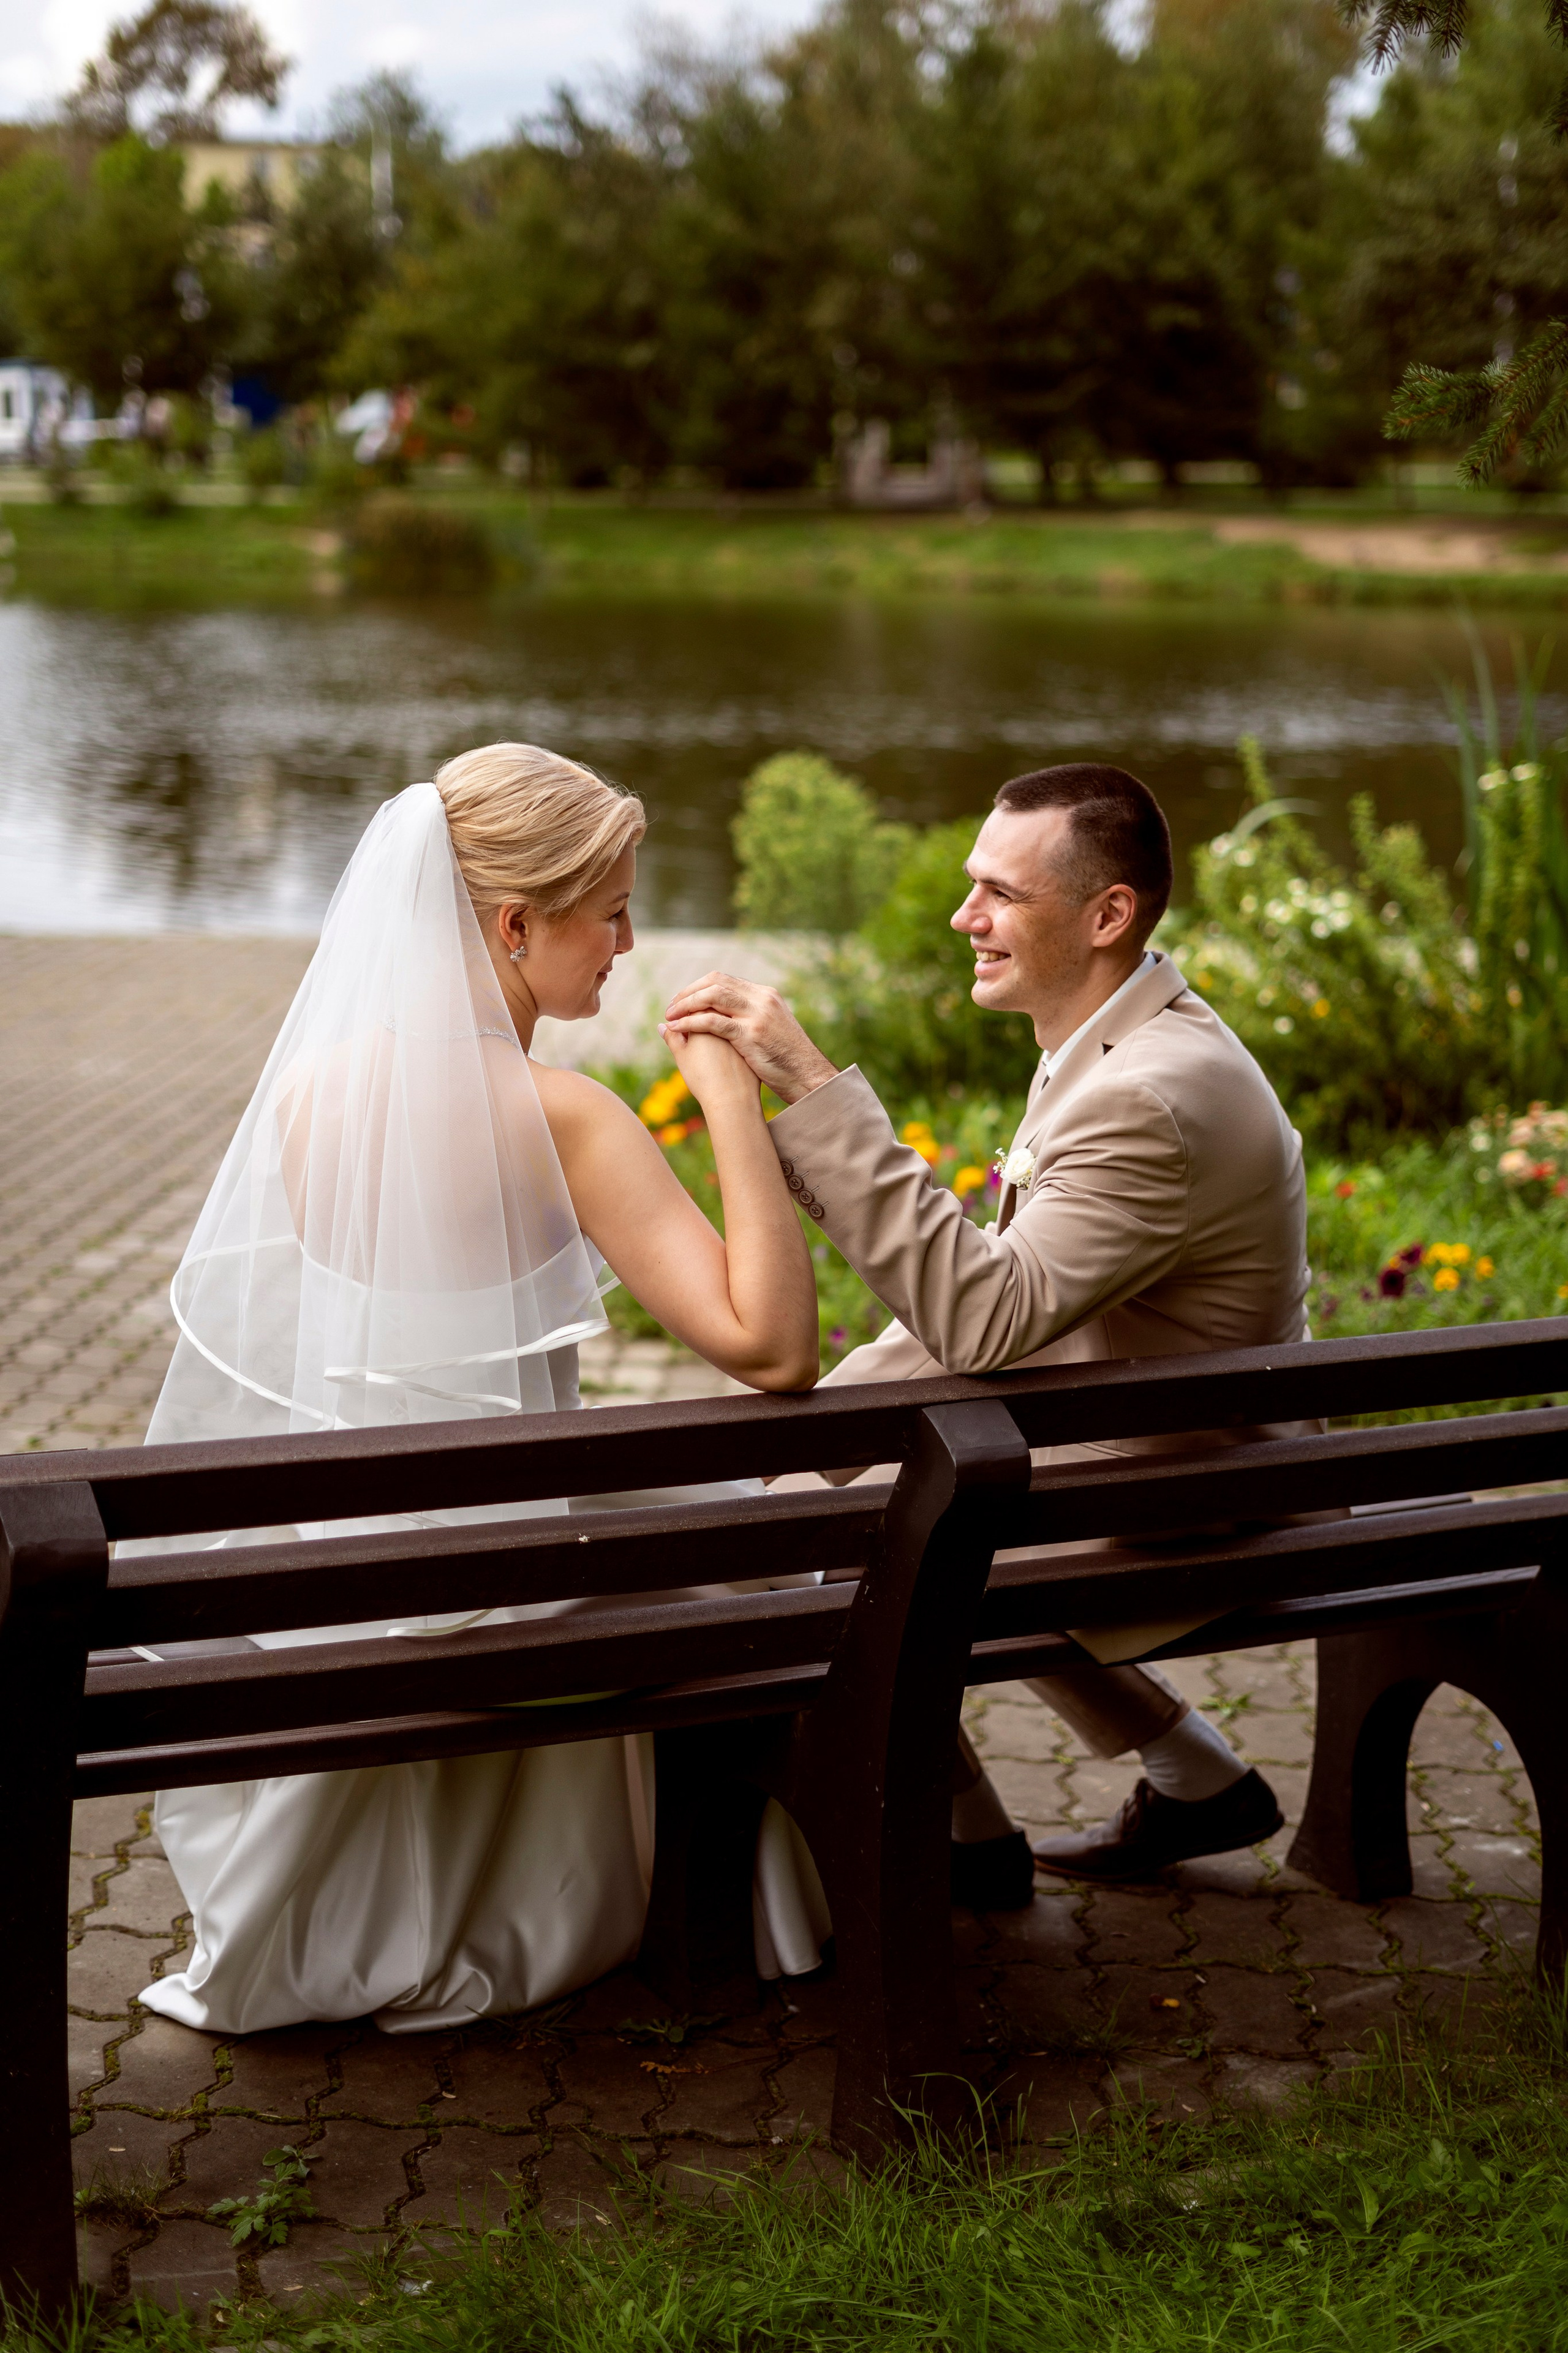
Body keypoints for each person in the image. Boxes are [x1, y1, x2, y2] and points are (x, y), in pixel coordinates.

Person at [134, 744, 824, 2037]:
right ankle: (768, 1887)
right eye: (610, 907)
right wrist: (726, 1097)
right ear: (515, 923)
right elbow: (775, 1346)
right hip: (494, 1586)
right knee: (762, 1549)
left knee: (673, 1498)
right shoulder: (564, 1116)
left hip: (356, 1558)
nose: (627, 938)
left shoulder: (311, 1090)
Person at [663, 762, 1311, 1905]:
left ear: (1108, 915)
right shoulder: (1123, 1040)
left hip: (1183, 1481)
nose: (968, 917)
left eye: (1001, 894)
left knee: (869, 1532)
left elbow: (983, 1314)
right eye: (974, 886)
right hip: (1144, 1427)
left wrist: (811, 1086)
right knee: (848, 1471)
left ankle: (961, 1839)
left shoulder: (1147, 1096)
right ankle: (1193, 1777)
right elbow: (1014, 1304)